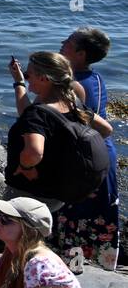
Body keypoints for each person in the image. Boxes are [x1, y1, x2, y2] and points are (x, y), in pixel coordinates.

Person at [5, 51, 113, 216]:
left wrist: (26, 167)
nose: (27, 78)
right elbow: (106, 130)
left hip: (30, 194)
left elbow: (34, 152)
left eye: (29, 74)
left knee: (17, 237)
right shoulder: (74, 105)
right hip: (56, 194)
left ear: (44, 79)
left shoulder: (37, 114)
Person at [57, 28, 119, 270]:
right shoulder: (96, 78)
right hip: (104, 155)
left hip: (84, 162)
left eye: (69, 42)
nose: (62, 43)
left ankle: (70, 276)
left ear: (80, 54)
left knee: (72, 217)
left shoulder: (70, 86)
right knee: (98, 216)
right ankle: (98, 270)